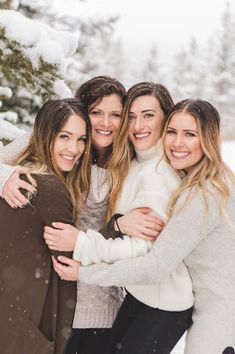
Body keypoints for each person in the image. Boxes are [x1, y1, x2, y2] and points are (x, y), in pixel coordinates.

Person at [53, 98, 235, 354]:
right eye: (172, 132)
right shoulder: (211, 178)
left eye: (190, 134)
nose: (177, 143)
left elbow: (155, 266)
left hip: (219, 318)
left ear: (208, 138)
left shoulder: (201, 194)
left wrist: (84, 270)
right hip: (194, 305)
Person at [0, 77, 159, 354]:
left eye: (116, 115)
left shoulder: (130, 162)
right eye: (96, 112)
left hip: (102, 304)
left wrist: (119, 225)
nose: (106, 123)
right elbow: (9, 156)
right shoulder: (62, 134)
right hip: (58, 306)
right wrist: (4, 176)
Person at [0, 98, 92, 354]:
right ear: (44, 135)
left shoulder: (14, 178)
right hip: (19, 332)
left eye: (82, 139)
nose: (74, 148)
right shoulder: (51, 190)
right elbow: (67, 268)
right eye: (64, 136)